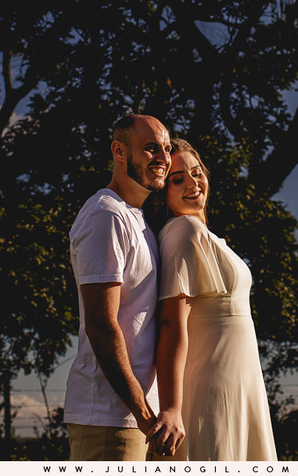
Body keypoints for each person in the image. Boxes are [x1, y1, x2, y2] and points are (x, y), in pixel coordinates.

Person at [144, 139, 278, 461]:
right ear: (164, 191)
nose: (192, 183)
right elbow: (170, 322)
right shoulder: (184, 231)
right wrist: (172, 408)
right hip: (211, 390)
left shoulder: (205, 235)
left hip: (240, 382)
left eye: (197, 172)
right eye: (177, 179)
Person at [64, 114, 184, 460]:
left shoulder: (137, 219)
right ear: (119, 151)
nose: (163, 158)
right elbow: (102, 325)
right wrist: (145, 416)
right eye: (150, 149)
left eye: (166, 148)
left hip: (137, 419)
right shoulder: (107, 215)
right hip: (109, 417)